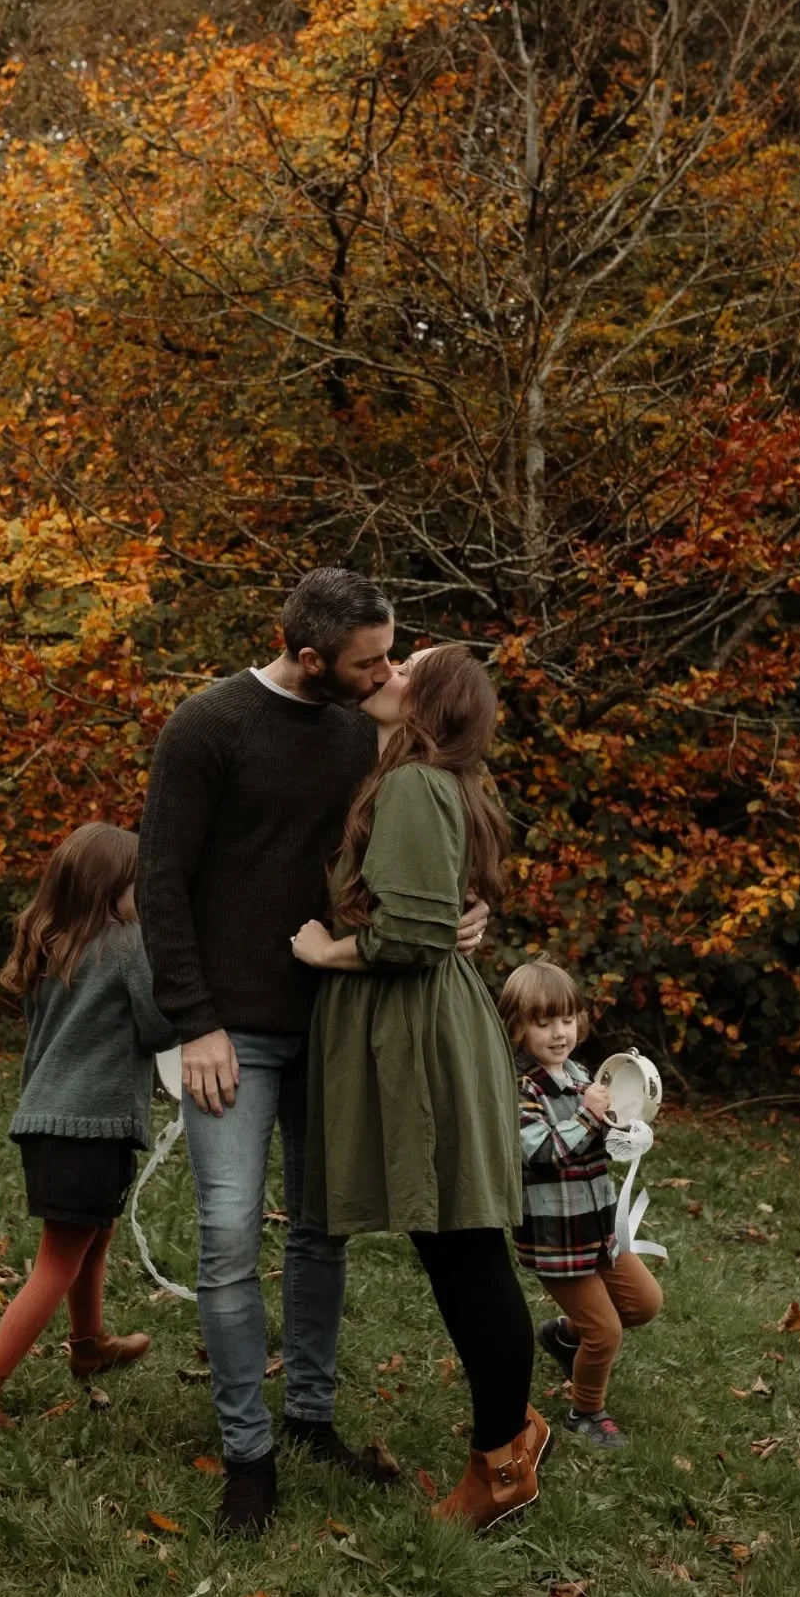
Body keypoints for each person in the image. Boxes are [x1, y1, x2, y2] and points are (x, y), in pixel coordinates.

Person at [136, 571, 489, 1535]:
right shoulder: (208, 727)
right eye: (370, 661)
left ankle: (310, 1417)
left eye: (391, 654)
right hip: (229, 1032)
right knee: (225, 1231)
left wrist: (460, 910)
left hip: (338, 1017)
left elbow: (409, 844)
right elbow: (159, 883)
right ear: (306, 656)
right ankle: (247, 1457)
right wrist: (194, 1022)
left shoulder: (362, 732)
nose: (388, 673)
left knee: (321, 1231)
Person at [293, 644, 549, 1533]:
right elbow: (440, 913)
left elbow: (408, 931)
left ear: (429, 702)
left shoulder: (413, 786)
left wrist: (326, 949)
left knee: (464, 1251)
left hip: (425, 1037)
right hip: (435, 1028)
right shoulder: (440, 785)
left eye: (407, 667)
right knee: (460, 1247)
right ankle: (512, 1437)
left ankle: (503, 1463)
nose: (388, 671)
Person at [0, 823, 174, 1440]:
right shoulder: (127, 943)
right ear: (111, 889)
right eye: (136, 884)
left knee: (92, 1233)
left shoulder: (52, 943)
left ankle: (89, 1343)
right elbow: (156, 1028)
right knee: (57, 1262)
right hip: (90, 1128)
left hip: (45, 1123)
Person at [498, 959, 664, 1447]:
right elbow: (543, 1151)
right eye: (543, 1022)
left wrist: (627, 1131)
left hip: (598, 1227)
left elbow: (596, 1139)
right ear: (516, 1026)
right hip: (558, 1240)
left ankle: (566, 1335)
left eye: (567, 1020)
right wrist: (592, 1119)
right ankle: (585, 1413)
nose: (558, 1032)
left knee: (644, 1304)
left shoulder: (580, 1075)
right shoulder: (519, 1088)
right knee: (606, 1331)